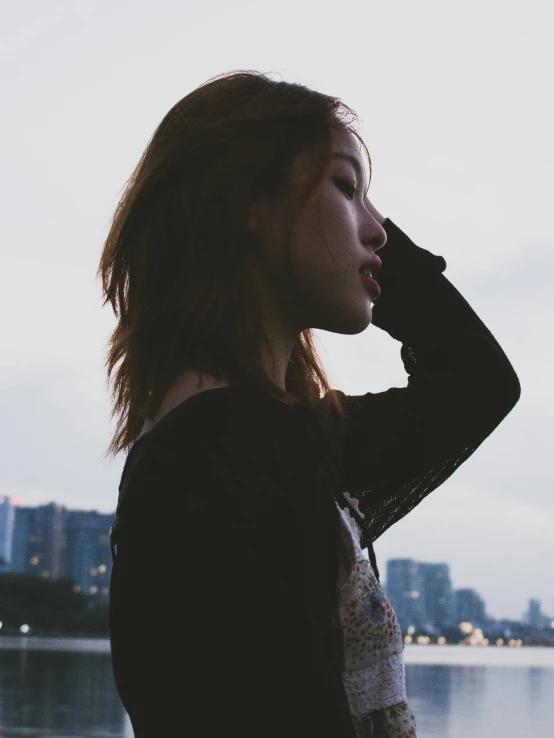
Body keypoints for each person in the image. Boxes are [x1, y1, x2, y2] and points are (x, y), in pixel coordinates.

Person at [99, 70, 521, 738]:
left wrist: (374, 261)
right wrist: (376, 262)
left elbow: (477, 388)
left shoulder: (281, 435)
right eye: (346, 187)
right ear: (248, 201)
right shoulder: (227, 448)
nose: (378, 230)